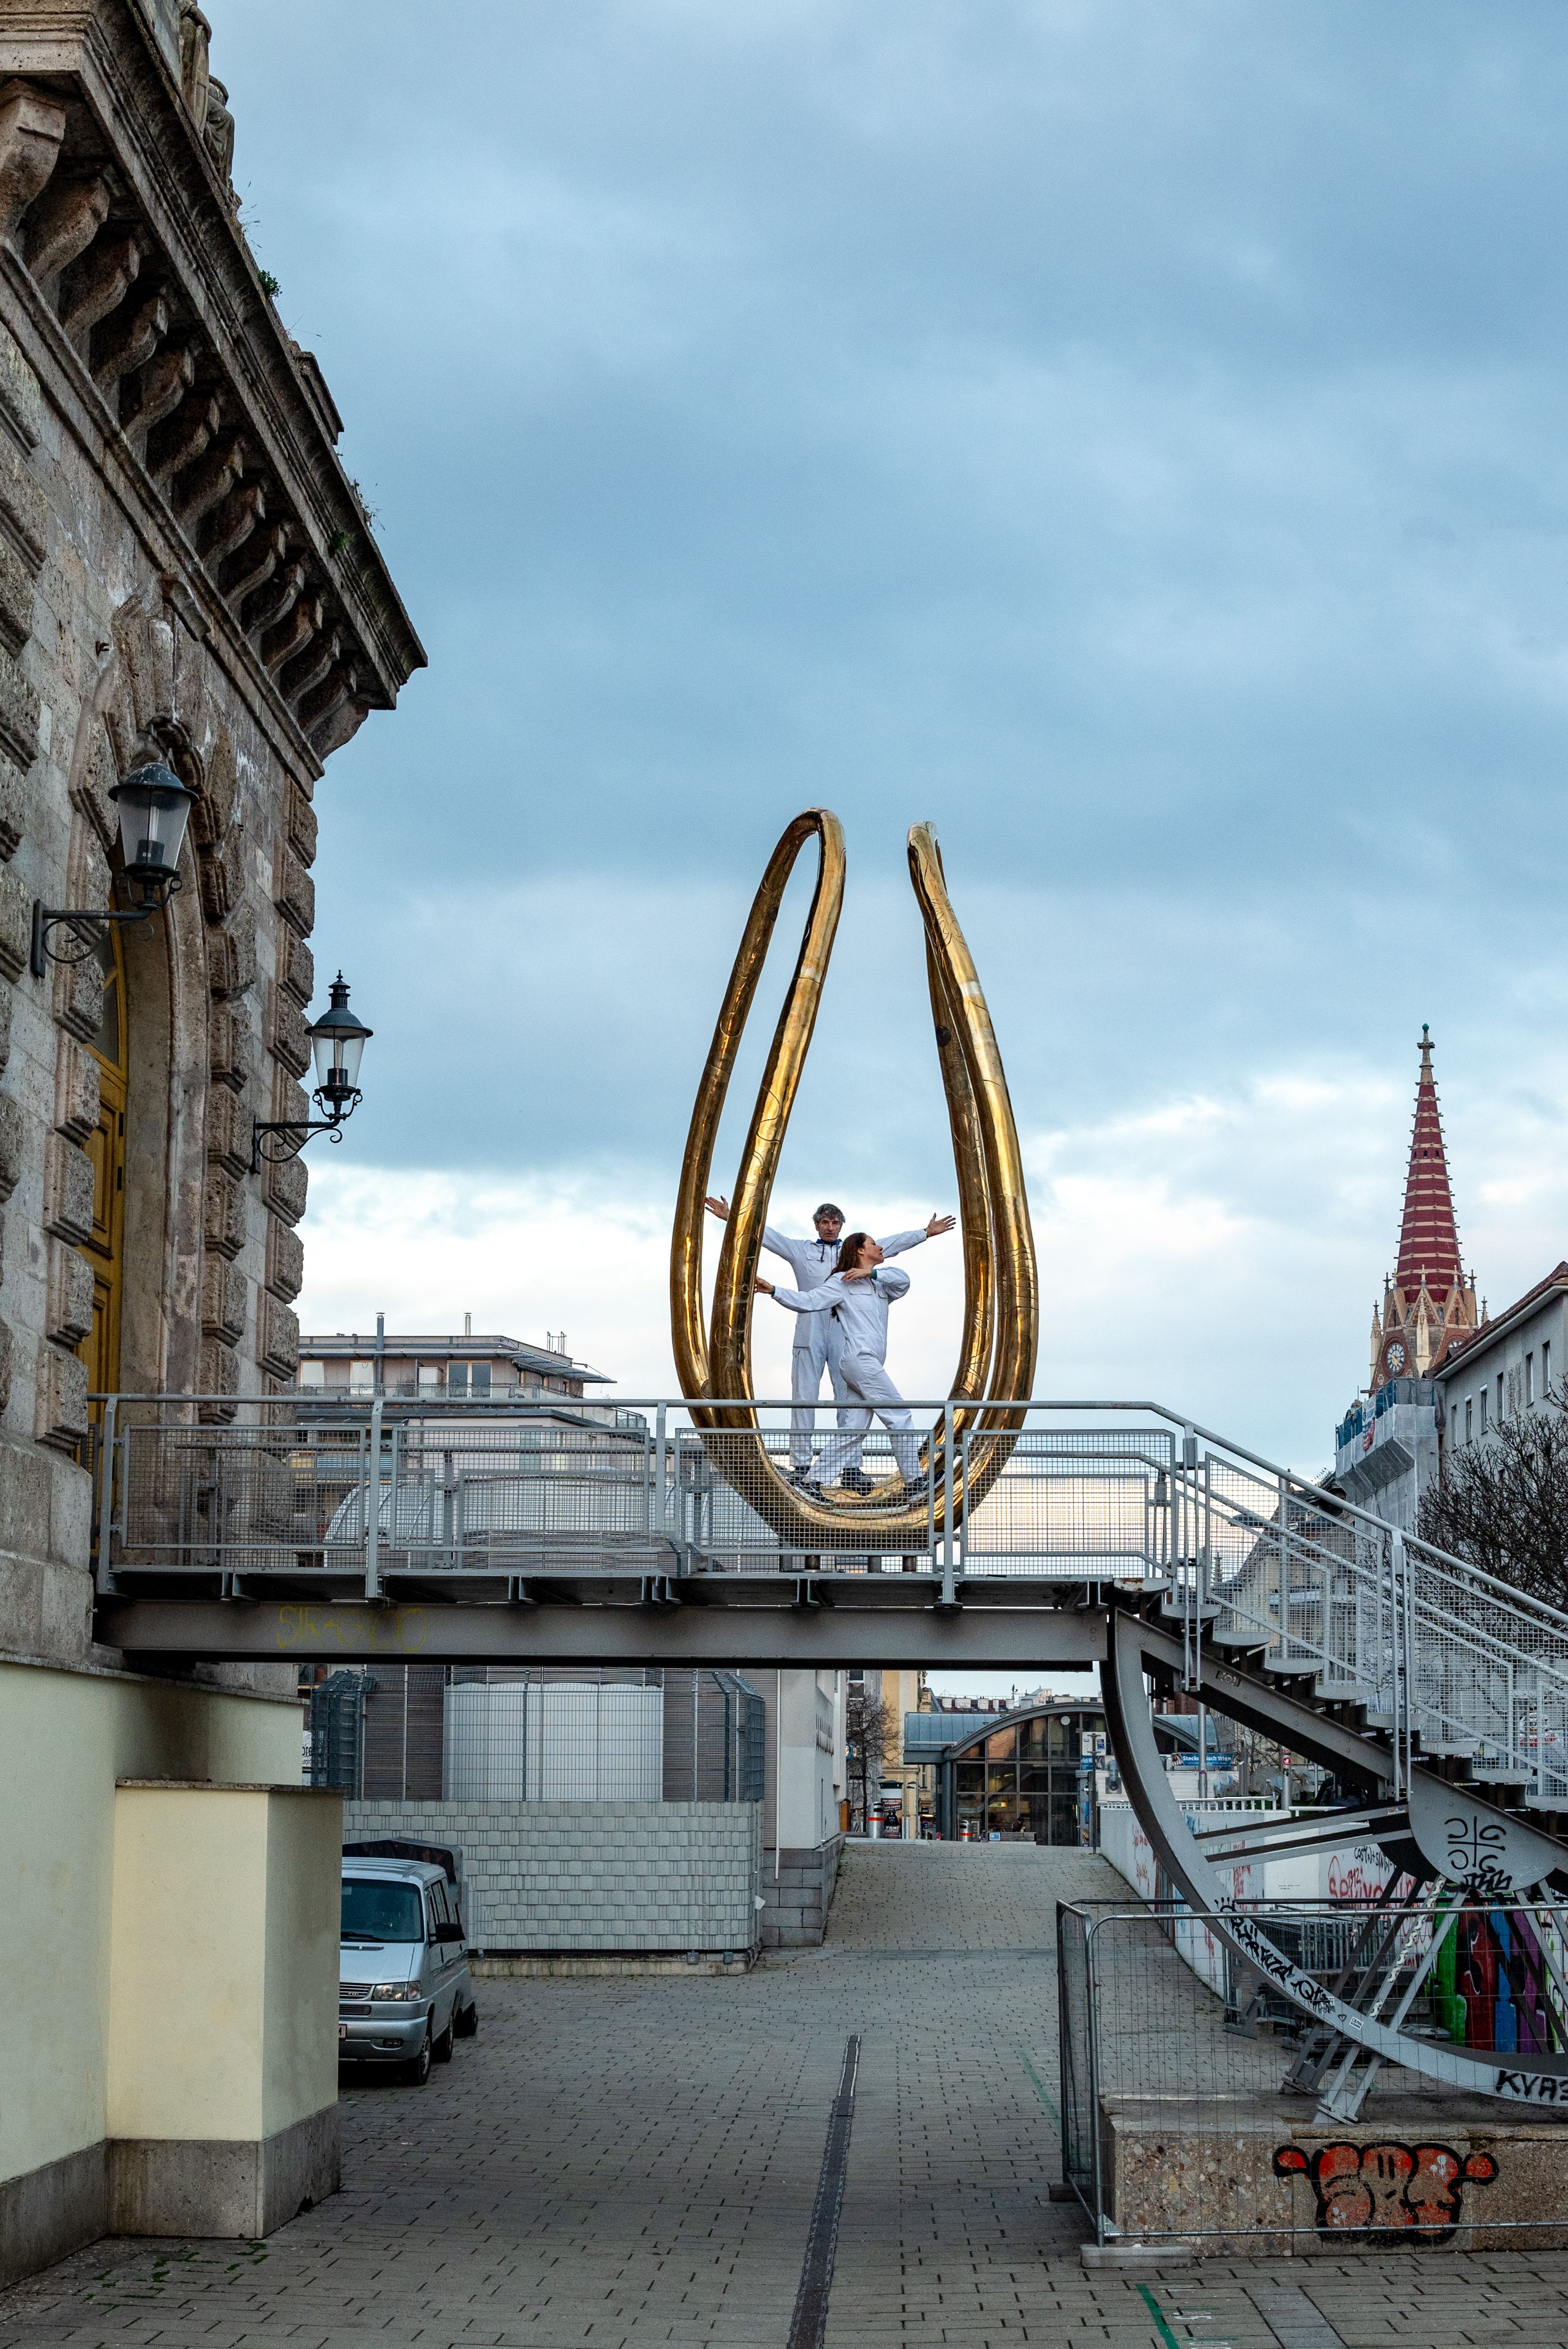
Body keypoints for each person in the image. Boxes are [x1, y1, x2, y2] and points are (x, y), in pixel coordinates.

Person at [704, 1196, 953, 1485]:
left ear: (842, 1228)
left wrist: (924, 1234)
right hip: (815, 1330)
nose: (830, 1227)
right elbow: (768, 1238)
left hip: (843, 1335)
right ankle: (805, 1465)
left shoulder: (865, 1268)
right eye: (825, 1222)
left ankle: (837, 1473)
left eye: (835, 1223)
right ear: (818, 1225)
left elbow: (893, 1250)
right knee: (806, 1397)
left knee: (850, 1413)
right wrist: (733, 1218)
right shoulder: (811, 1257)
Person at [756, 1231, 922, 1498]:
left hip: (868, 1362)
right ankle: (914, 1482)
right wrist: (775, 1291)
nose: (880, 1248)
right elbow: (809, 1301)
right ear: (860, 1250)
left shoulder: (880, 1284)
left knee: (853, 1431)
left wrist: (871, 1274)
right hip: (860, 1360)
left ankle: (811, 1482)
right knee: (899, 1415)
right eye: (873, 1244)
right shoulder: (841, 1282)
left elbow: (904, 1281)